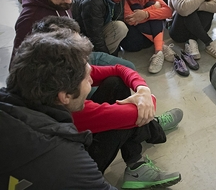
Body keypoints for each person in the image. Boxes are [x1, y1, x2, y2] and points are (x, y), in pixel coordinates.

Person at [0, 29, 181, 189]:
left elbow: (118, 69)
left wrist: (143, 90)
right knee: (132, 115)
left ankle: (145, 139)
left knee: (116, 85)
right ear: (65, 96)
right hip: (75, 164)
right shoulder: (69, 159)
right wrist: (147, 100)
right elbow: (137, 112)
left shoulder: (27, 95)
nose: (91, 80)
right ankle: (147, 137)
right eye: (87, 79)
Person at [11, 0, 134, 70]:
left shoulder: (64, 2)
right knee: (114, 80)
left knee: (129, 68)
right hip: (60, 70)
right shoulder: (29, 19)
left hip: (78, 54)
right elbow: (17, 65)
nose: (69, 1)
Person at [121, 0, 176, 74]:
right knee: (140, 7)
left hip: (149, 37)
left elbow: (168, 12)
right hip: (133, 41)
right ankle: (161, 44)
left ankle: (158, 51)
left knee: (151, 9)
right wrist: (154, 9)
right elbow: (130, 19)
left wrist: (146, 13)